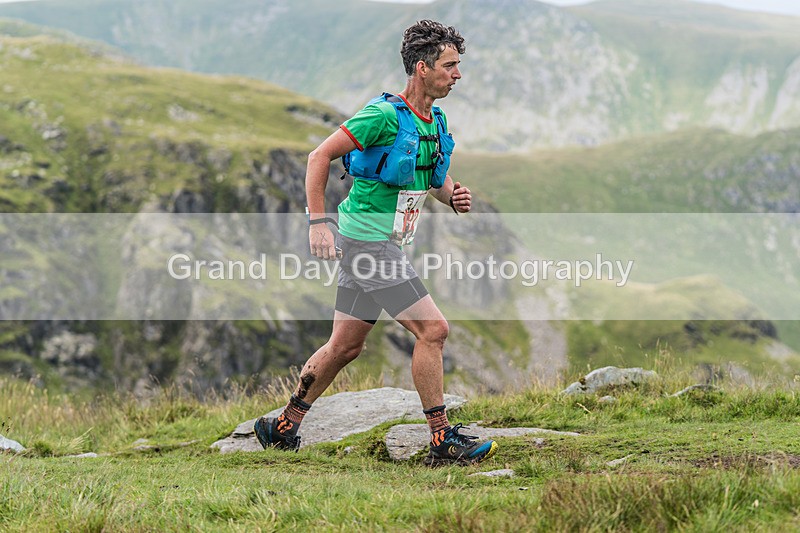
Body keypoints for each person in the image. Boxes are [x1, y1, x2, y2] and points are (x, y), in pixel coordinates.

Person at [254, 20, 497, 466]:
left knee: (345, 346)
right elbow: (319, 156)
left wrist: (452, 196)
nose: (457, 74)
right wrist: (317, 223)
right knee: (433, 331)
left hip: (381, 244)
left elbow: (432, 178)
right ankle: (441, 438)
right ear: (422, 68)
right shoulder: (382, 115)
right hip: (368, 244)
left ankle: (282, 426)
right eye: (449, 65)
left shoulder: (435, 120)